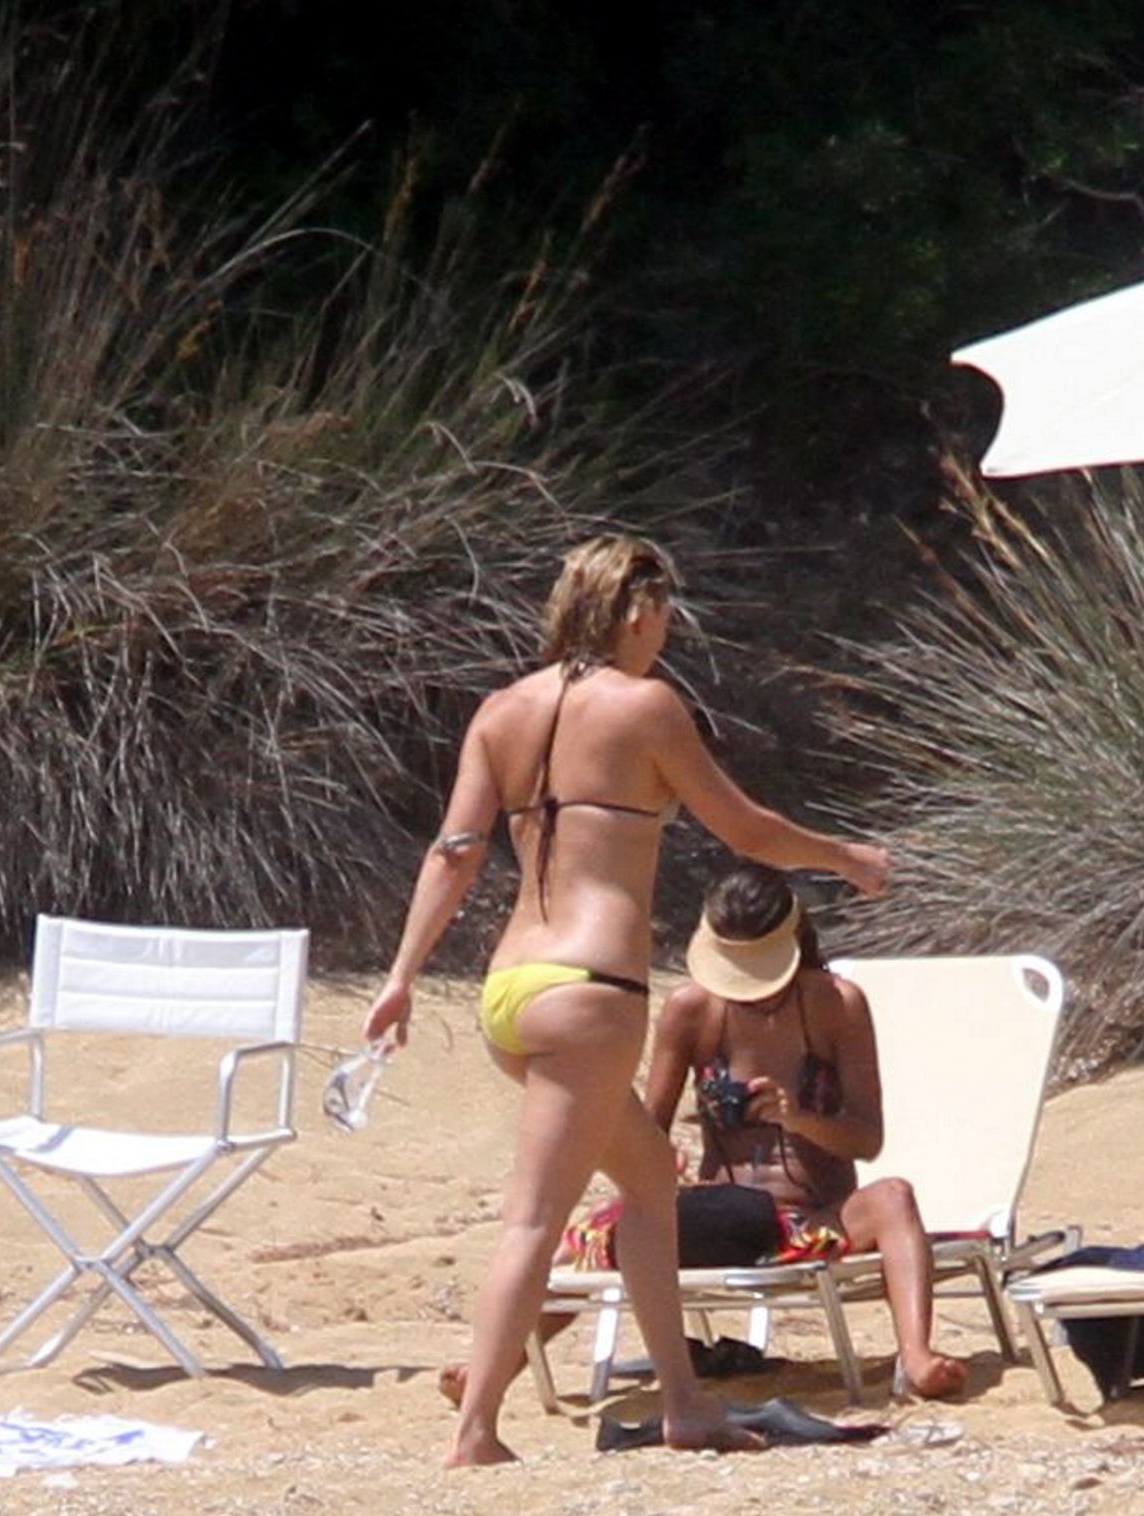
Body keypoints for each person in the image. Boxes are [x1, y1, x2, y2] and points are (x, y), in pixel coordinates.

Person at [363, 535, 888, 1464]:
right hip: (590, 992)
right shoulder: (645, 707)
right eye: (665, 613)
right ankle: (475, 1428)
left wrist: (403, 975)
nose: (668, 630)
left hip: (511, 991)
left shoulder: (500, 711)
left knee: (649, 1185)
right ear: (637, 611)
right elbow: (746, 828)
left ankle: (685, 1405)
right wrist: (843, 858)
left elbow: (454, 853)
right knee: (535, 1216)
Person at [643, 862, 968, 1399]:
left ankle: (915, 1355)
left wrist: (797, 1118)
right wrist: (660, 1157)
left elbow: (867, 1140)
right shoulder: (691, 1010)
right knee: (584, 1232)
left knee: (894, 1197)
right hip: (722, 1220)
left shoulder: (835, 1004)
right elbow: (647, 1129)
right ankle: (505, 1364)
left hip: (815, 1220)